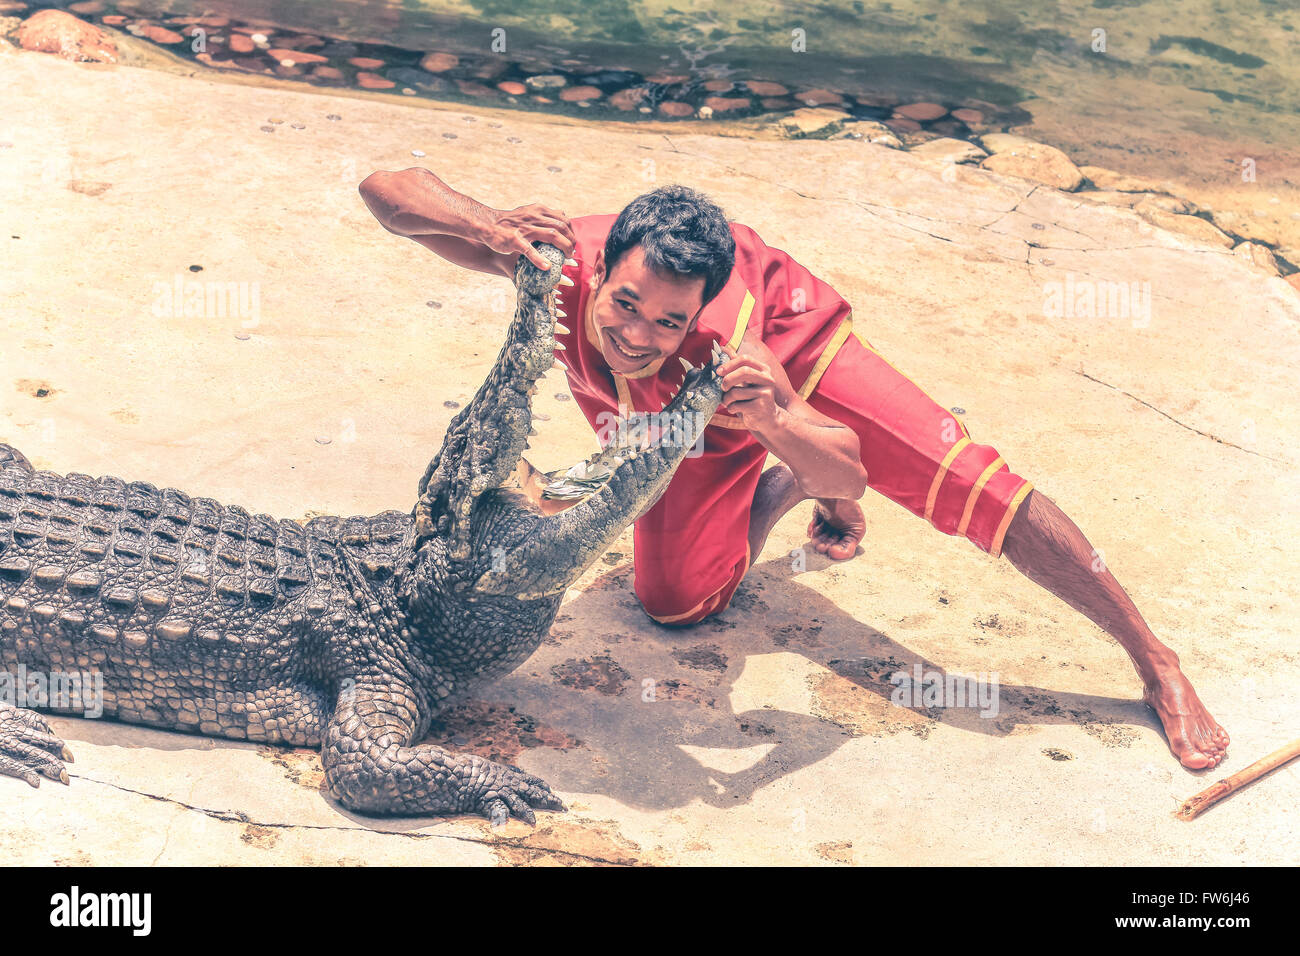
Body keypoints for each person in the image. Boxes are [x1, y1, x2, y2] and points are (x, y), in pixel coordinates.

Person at [358, 168, 1229, 771]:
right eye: (624, 303)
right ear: (602, 269)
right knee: (670, 604)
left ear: (695, 314)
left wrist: (778, 419)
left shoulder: (726, 350)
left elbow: (849, 472)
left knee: (967, 483)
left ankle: (1155, 661)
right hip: (675, 415)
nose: (632, 333)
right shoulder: (556, 261)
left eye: (665, 321)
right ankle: (772, 483)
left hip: (776, 358)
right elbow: (385, 189)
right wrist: (486, 223)